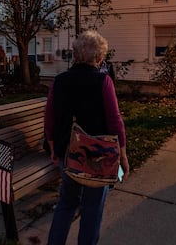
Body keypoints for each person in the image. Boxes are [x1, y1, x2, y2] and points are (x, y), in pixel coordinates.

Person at [44, 30, 130, 245]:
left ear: (75, 55)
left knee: (66, 203)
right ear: (99, 58)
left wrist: (53, 147)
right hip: (97, 156)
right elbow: (115, 121)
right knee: (93, 208)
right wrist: (123, 155)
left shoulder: (60, 81)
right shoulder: (104, 82)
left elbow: (50, 118)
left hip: (67, 151)